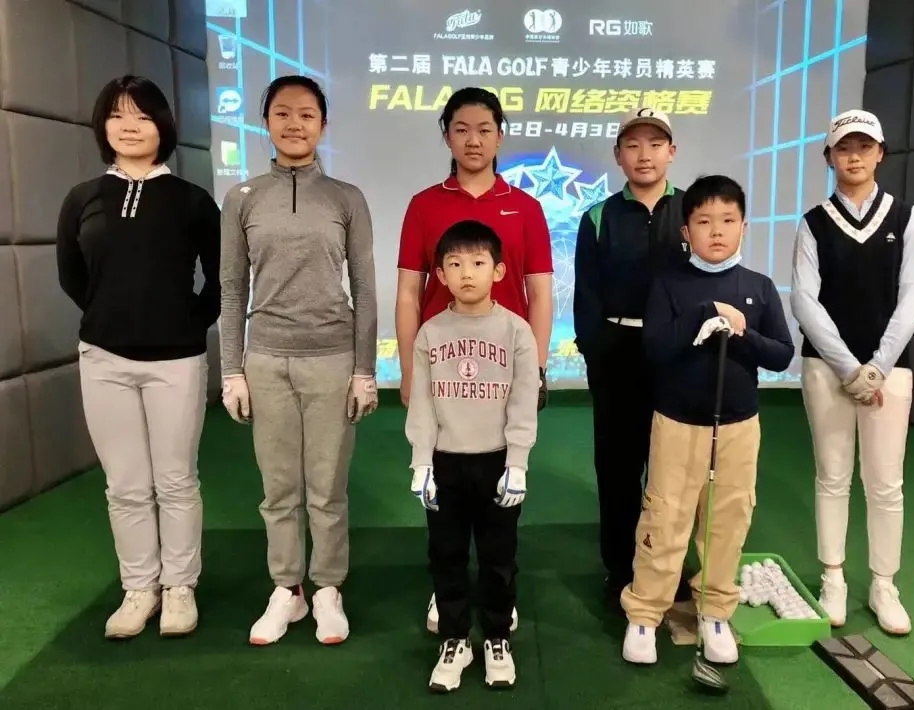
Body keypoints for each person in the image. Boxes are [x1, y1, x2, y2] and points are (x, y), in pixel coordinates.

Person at [55, 75, 221, 639]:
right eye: (118, 115)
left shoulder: (192, 200)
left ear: (163, 126)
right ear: (102, 125)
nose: (130, 126)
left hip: (176, 361)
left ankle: (179, 587)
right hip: (104, 359)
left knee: (175, 480)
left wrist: (187, 323)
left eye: (143, 116)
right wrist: (110, 317)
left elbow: (220, 279)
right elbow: (72, 276)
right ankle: (139, 588)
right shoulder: (82, 198)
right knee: (125, 484)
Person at [217, 75, 379, 646]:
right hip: (266, 361)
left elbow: (365, 288)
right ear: (266, 123)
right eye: (282, 113)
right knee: (279, 489)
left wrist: (365, 371)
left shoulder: (345, 198)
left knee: (327, 489)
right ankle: (287, 589)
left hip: (333, 359)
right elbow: (232, 289)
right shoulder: (242, 198)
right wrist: (231, 370)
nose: (294, 124)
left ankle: (328, 588)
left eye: (307, 114)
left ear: (323, 125)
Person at [395, 87, 553, 633]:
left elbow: (540, 293)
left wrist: (535, 371)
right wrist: (410, 371)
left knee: (500, 488)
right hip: (444, 368)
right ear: (446, 136)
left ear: (500, 136)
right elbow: (408, 293)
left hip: (503, 369)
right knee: (446, 491)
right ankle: (449, 594)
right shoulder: (424, 205)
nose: (473, 140)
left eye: (485, 129)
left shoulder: (526, 207)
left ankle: (497, 595)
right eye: (461, 129)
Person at [620, 175, 794, 665]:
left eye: (727, 220)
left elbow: (782, 354)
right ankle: (645, 613)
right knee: (665, 517)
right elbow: (655, 348)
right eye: (704, 221)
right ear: (686, 231)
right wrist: (704, 312)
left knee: (727, 519)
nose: (716, 231)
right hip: (678, 422)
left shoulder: (758, 287)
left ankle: (715, 611)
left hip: (738, 425)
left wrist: (741, 333)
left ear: (743, 226)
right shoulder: (669, 284)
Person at [790, 109, 914, 636]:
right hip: (826, 369)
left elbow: (913, 295)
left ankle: (883, 584)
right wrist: (850, 368)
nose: (854, 156)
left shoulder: (907, 217)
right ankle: (833, 578)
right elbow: (805, 300)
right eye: (844, 147)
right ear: (829, 157)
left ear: (880, 154)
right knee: (832, 476)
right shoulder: (814, 222)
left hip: (890, 371)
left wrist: (877, 367)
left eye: (864, 147)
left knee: (886, 482)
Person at [405, 220, 539, 692]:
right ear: (440, 275)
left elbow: (523, 402)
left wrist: (517, 463)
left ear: (498, 271)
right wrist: (422, 462)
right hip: (445, 463)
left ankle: (497, 637)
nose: (467, 273)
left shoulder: (517, 331)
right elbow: (422, 404)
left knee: (499, 557)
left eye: (478, 262)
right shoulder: (430, 333)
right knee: (446, 555)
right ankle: (455, 639)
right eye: (455, 264)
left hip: (497, 461)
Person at [572, 107, 692, 605]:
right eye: (633, 145)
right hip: (617, 355)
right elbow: (586, 295)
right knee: (618, 469)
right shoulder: (598, 216)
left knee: (673, 469)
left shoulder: (692, 211)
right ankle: (620, 568)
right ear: (618, 155)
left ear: (672, 152)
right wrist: (597, 353)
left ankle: (669, 566)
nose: (644, 155)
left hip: (678, 356)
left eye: (655, 144)